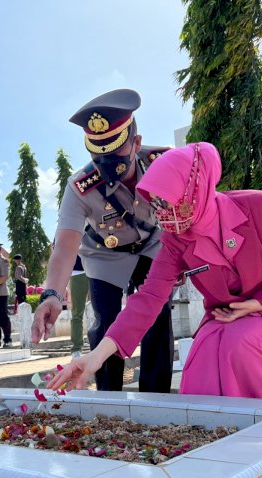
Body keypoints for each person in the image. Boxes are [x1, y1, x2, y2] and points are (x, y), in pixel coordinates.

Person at [48, 142, 262, 398]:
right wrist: (95, 357)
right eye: (156, 204)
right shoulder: (176, 240)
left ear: (195, 188)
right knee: (200, 358)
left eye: (167, 201)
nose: (163, 214)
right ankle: (214, 431)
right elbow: (148, 299)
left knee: (241, 343)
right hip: (227, 316)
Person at [32, 88, 174, 392]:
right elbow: (66, 244)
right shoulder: (79, 186)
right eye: (98, 154)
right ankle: (109, 397)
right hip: (104, 255)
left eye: (115, 152)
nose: (107, 162)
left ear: (136, 142)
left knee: (158, 318)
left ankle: (157, 397)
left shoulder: (163, 161)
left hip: (152, 247)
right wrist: (52, 294)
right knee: (106, 321)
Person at [69, 255, 89, 358]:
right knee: (77, 313)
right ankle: (76, 348)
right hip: (78, 272)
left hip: (98, 268)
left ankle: (105, 346)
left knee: (103, 310)